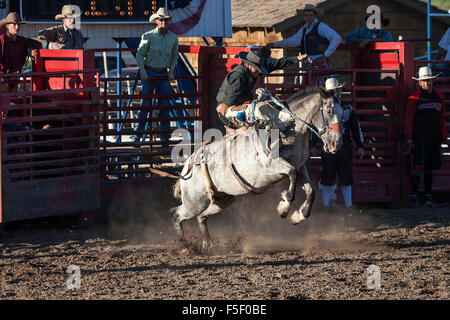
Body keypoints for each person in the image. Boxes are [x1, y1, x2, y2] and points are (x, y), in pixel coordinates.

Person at [216, 48, 308, 129]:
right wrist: (253, 94)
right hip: (226, 110)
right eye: (257, 68)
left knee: (264, 111)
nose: (259, 71)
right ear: (248, 65)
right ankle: (267, 143)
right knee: (262, 115)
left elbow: (276, 64)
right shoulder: (238, 76)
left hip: (237, 105)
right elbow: (232, 100)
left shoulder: (252, 70)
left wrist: (296, 59)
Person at [310, 78, 364, 213]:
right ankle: (327, 206)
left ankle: (347, 206)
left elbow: (355, 128)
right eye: (332, 91)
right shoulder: (324, 111)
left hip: (343, 147)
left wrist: (360, 145)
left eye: (336, 90)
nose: (335, 93)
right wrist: (311, 145)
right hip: (328, 147)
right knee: (327, 177)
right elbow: (317, 129)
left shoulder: (347, 109)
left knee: (345, 177)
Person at [133, 7, 178, 145]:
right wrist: (143, 71)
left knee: (164, 106)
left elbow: (174, 56)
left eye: (165, 20)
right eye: (161, 19)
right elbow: (140, 55)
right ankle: (137, 136)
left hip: (162, 73)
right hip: (150, 72)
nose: (163, 22)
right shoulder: (148, 36)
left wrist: (171, 71)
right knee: (145, 105)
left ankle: (164, 138)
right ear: (157, 21)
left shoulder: (173, 38)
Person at [266, 4, 341, 86]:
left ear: (315, 16)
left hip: (320, 63)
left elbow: (336, 38)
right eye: (306, 15)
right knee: (309, 87)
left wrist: (325, 56)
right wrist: (275, 44)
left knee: (317, 88)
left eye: (311, 15)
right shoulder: (305, 29)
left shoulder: (321, 27)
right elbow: (293, 41)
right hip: (311, 63)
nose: (308, 17)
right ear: (303, 16)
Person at [403, 67, 447, 208]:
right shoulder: (414, 97)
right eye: (424, 81)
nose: (427, 83)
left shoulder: (439, 96)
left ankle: (428, 196)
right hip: (419, 137)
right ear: (419, 83)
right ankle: (414, 197)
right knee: (418, 166)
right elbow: (409, 118)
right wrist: (409, 138)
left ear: (432, 81)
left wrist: (443, 136)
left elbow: (442, 118)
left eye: (428, 80)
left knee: (430, 167)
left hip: (434, 137)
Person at [0, 12, 41, 90]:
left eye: (18, 24)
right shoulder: (2, 40)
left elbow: (38, 44)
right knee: (4, 100)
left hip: (14, 79)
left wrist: (29, 48)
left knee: (13, 100)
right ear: (7, 26)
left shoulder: (22, 40)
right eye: (14, 24)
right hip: (3, 79)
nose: (17, 27)